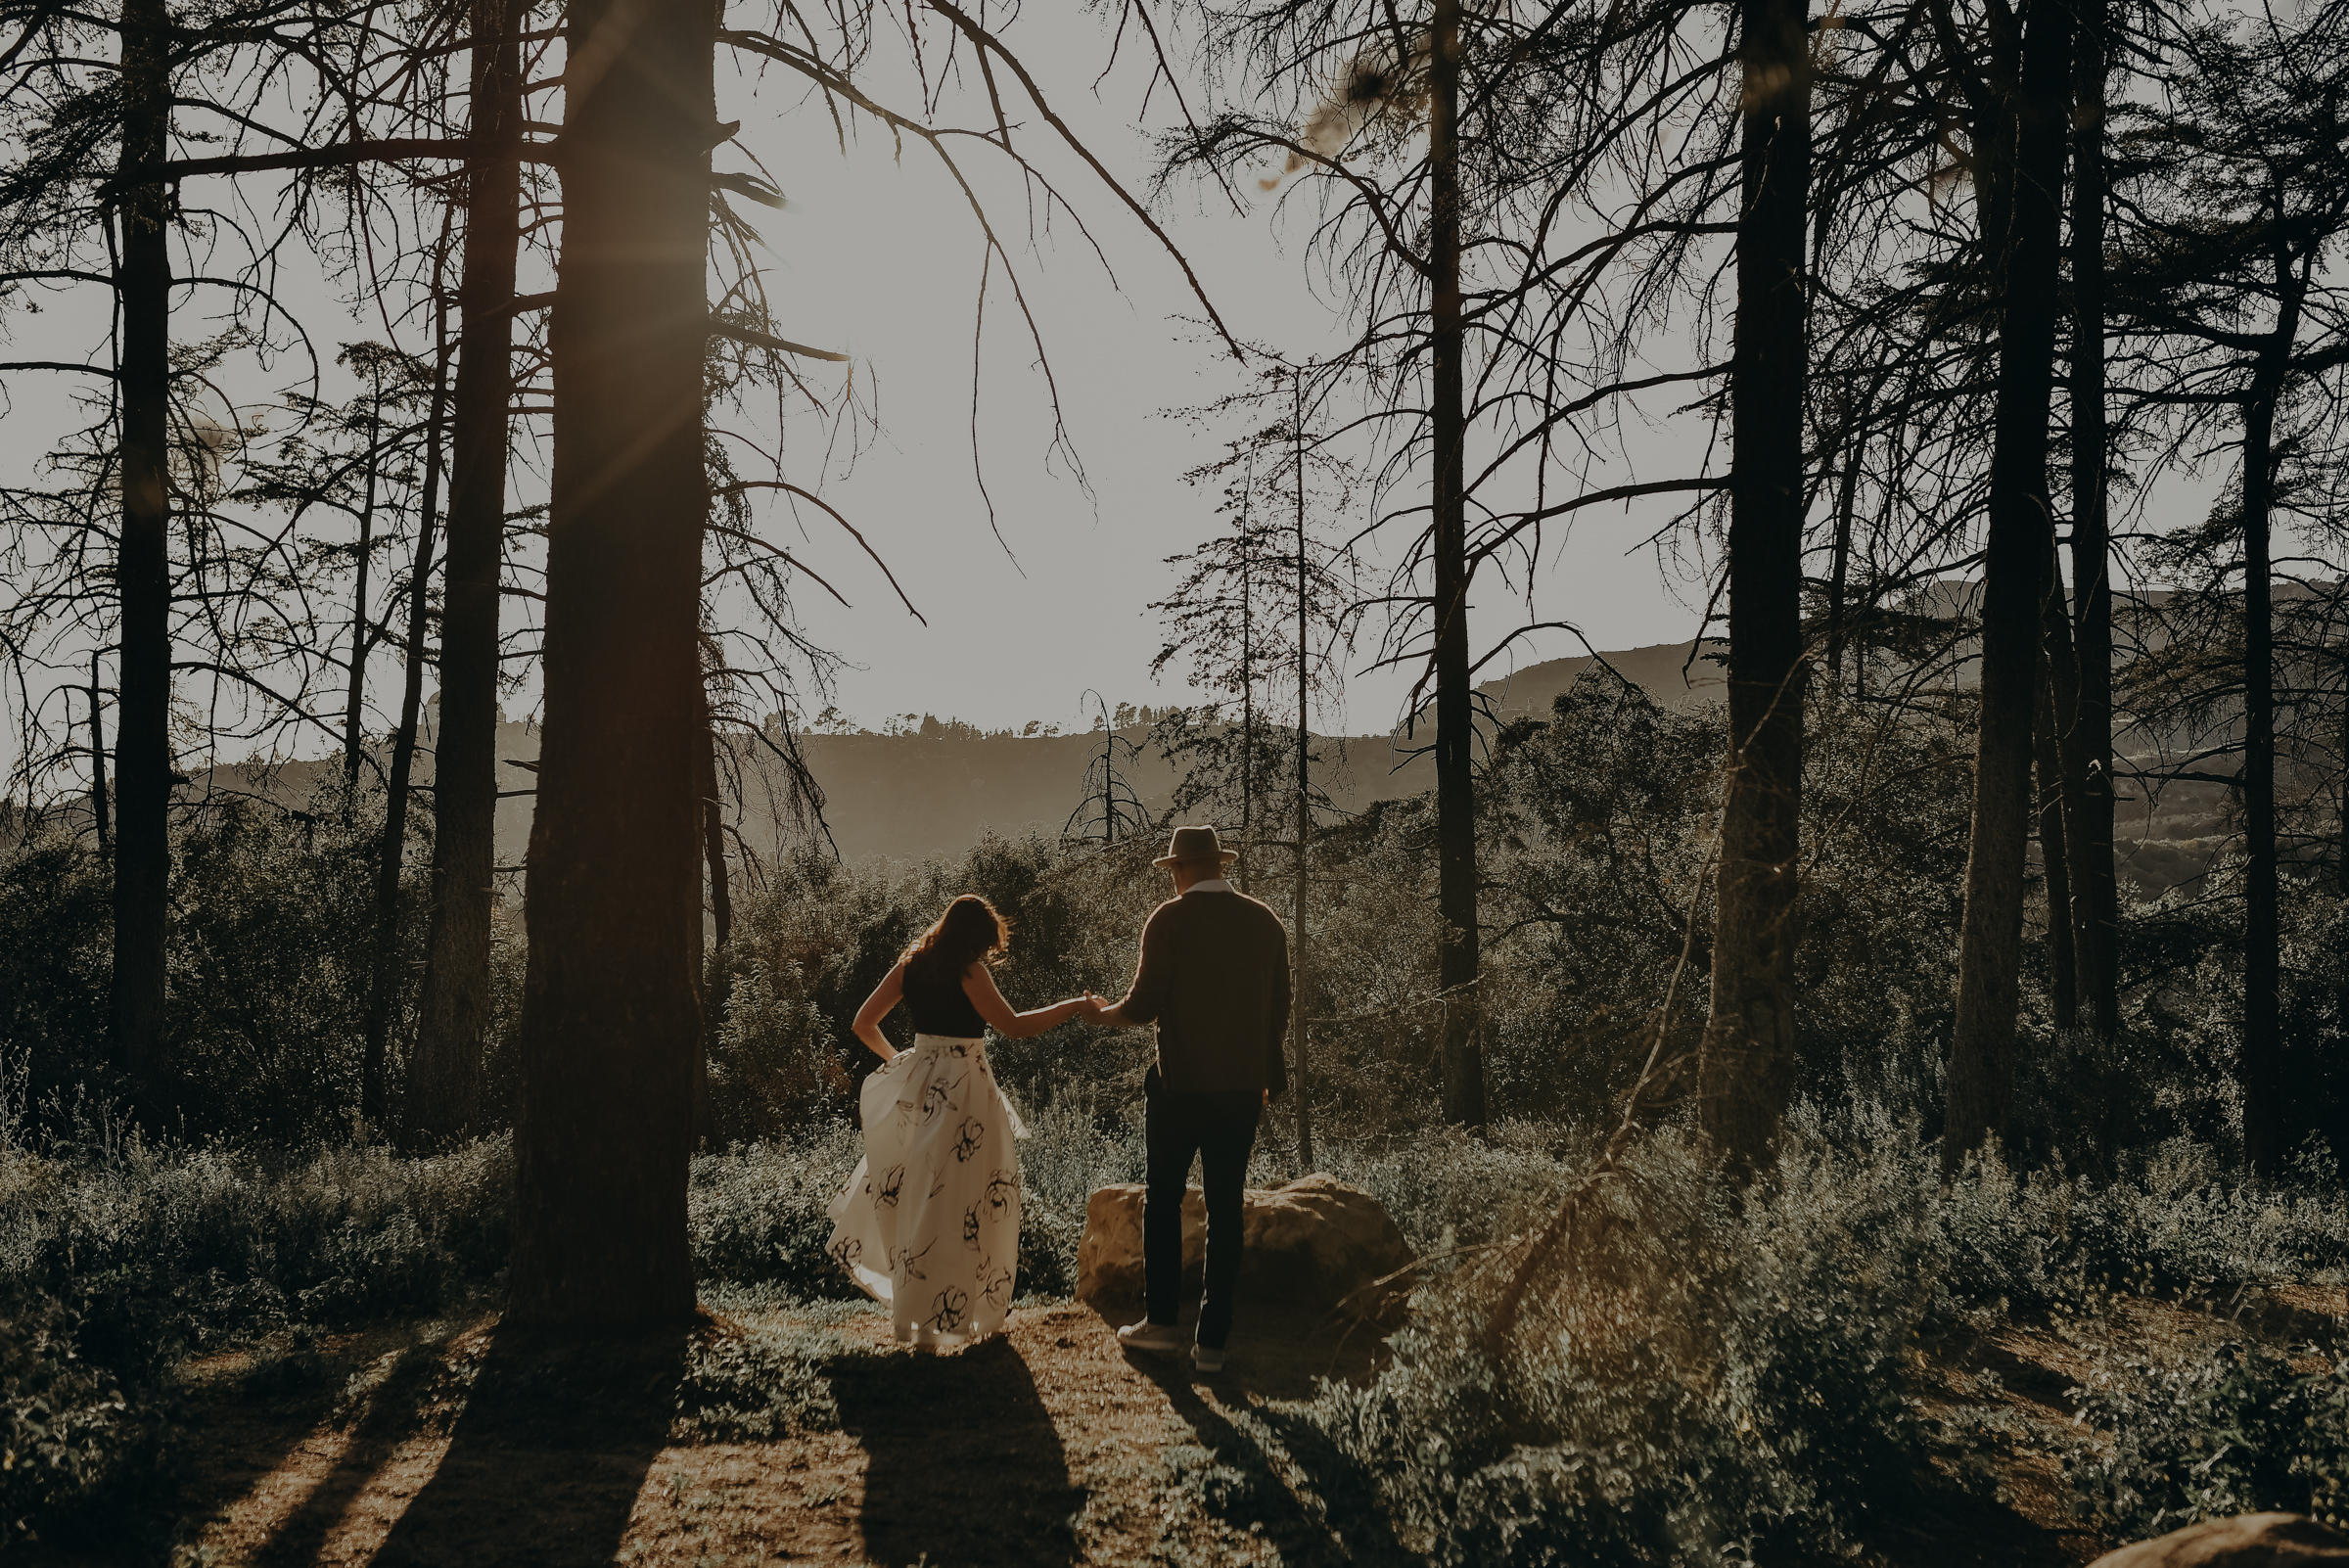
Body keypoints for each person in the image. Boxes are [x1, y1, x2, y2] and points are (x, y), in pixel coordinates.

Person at [825, 894, 1092, 1349]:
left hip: (920, 1087)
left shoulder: (911, 965)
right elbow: (1014, 1026)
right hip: (964, 1091)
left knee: (918, 1195)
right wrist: (1074, 1007)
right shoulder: (969, 971)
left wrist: (903, 1061)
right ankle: (948, 1313)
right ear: (976, 939)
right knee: (962, 1201)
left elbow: (862, 1023)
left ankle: (916, 1314)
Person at [1083, 824, 1290, 1373]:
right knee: (1226, 1208)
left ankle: (1161, 1324)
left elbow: (1145, 1004)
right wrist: (1266, 1076)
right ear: (1219, 865)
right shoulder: (1265, 921)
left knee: (1164, 1200)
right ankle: (1213, 1344)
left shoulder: (1169, 920)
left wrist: (1101, 1012)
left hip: (1179, 1088)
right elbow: (1280, 1008)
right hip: (1244, 1090)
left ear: (1178, 870)